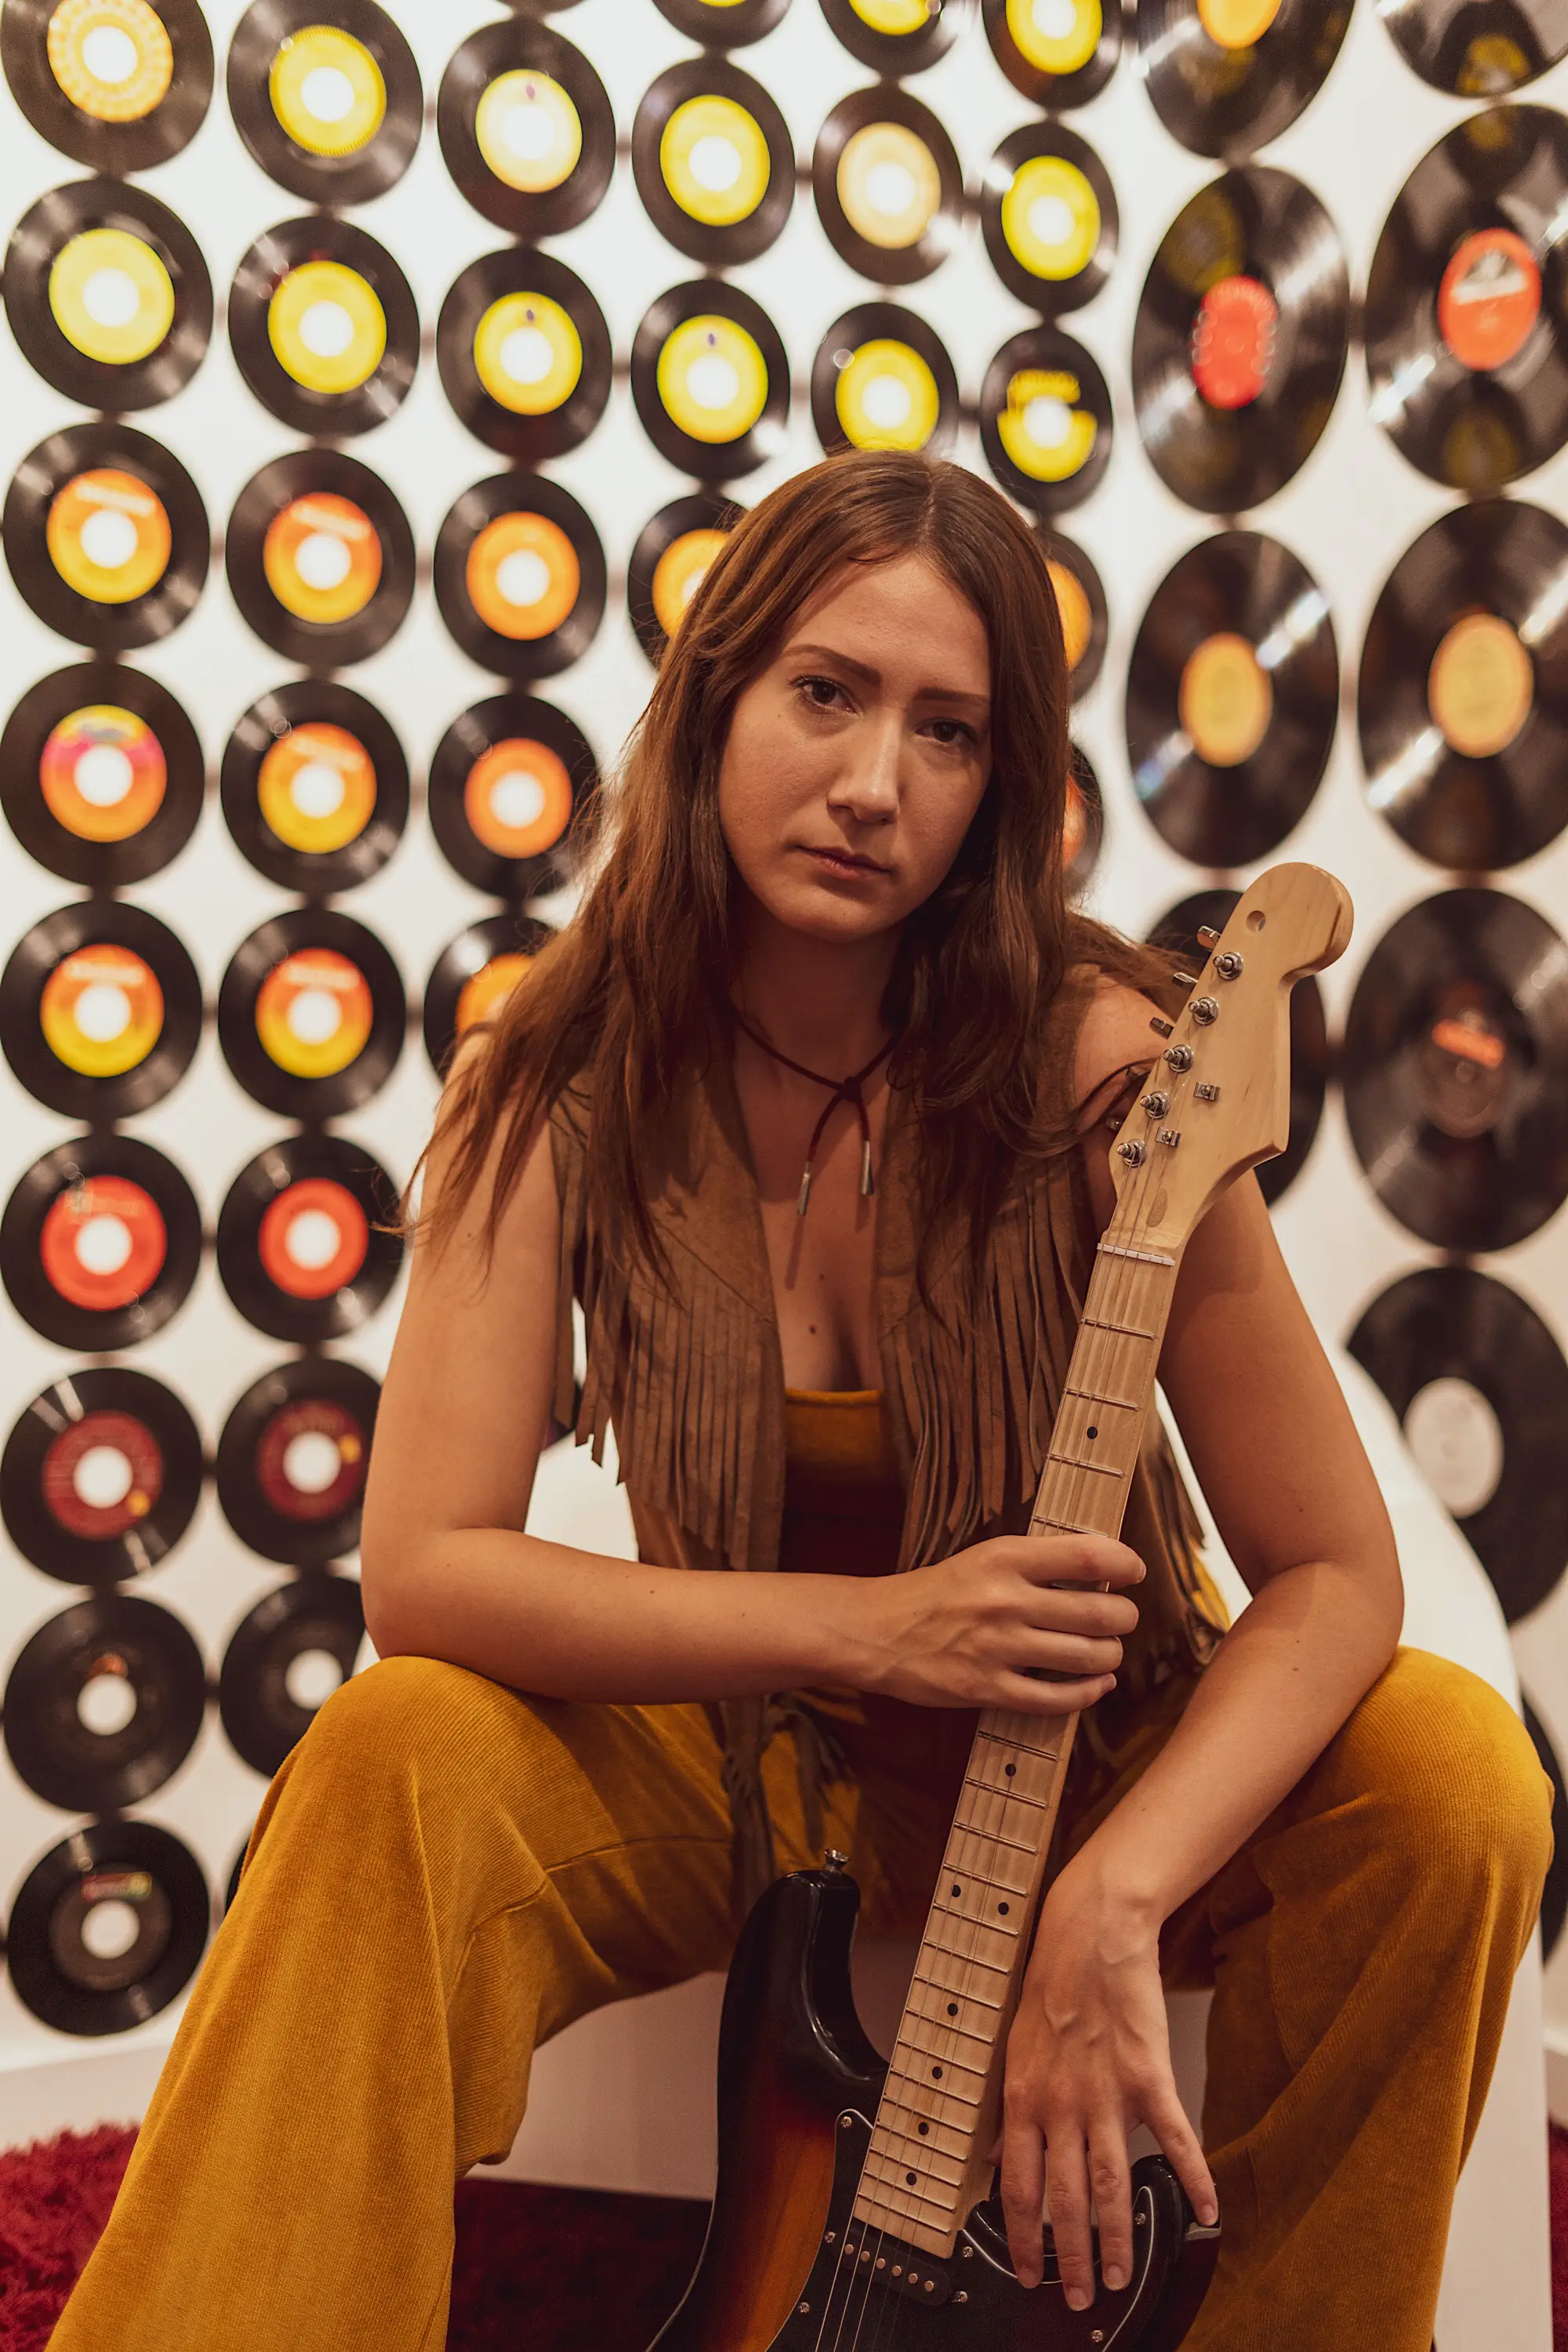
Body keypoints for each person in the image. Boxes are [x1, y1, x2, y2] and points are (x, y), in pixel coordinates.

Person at [49, 448, 1550, 2352]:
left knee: (1448, 1774)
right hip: (746, 1747)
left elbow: (1335, 1572)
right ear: (715, 699)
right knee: (385, 1756)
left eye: (948, 732)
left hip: (1081, 1746)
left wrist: (1109, 1902)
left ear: (1002, 787)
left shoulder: (1108, 1063)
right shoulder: (560, 1059)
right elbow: (426, 1573)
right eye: (826, 693)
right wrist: (885, 1628)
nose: (871, 784)